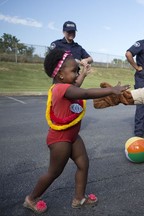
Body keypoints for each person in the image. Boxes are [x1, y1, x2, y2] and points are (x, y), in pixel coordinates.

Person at [23, 49, 129, 214]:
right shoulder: (59, 89)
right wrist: (112, 90)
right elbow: (84, 92)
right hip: (60, 139)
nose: (77, 73)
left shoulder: (65, 86)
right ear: (60, 75)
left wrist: (83, 74)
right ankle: (31, 199)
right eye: (74, 71)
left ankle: (79, 198)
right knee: (54, 172)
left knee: (83, 163)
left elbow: (76, 85)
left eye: (77, 70)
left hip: (72, 136)